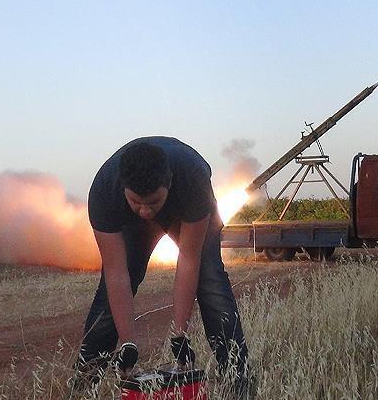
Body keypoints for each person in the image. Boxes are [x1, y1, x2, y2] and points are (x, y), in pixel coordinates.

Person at [73, 136, 253, 397]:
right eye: (137, 202)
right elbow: (116, 274)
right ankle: (82, 387)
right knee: (107, 301)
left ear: (168, 184)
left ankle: (239, 381)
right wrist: (128, 344)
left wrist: (179, 335)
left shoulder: (192, 179)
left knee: (210, 279)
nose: (146, 211)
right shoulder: (104, 192)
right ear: (124, 188)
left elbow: (189, 259)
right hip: (131, 224)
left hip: (184, 208)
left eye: (153, 202)